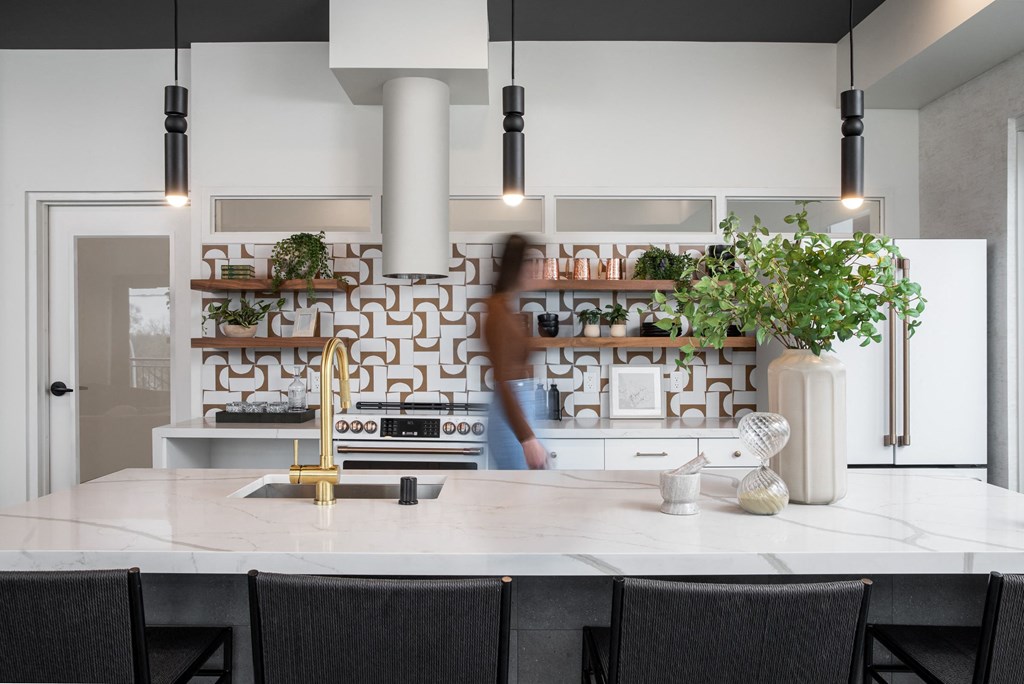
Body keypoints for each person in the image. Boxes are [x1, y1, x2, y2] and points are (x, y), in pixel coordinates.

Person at [484, 234, 549, 470]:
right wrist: (527, 438)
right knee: (520, 489)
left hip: (519, 412)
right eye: (531, 263)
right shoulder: (498, 312)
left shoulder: (507, 308)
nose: (537, 270)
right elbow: (503, 380)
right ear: (517, 266)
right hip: (510, 419)